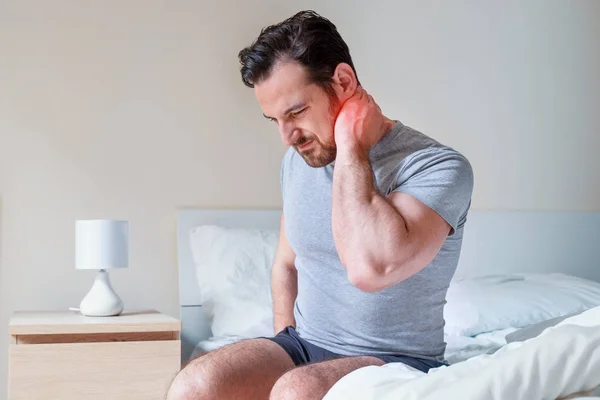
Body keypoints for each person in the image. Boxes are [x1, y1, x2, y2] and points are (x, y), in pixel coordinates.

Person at [167, 10, 474, 400]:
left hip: (400, 360)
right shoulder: (297, 161)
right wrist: (282, 346)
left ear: (343, 82)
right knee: (194, 384)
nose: (286, 137)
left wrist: (351, 145)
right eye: (274, 119)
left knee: (296, 391)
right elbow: (285, 263)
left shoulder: (437, 167)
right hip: (306, 344)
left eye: (296, 113)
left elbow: (370, 268)